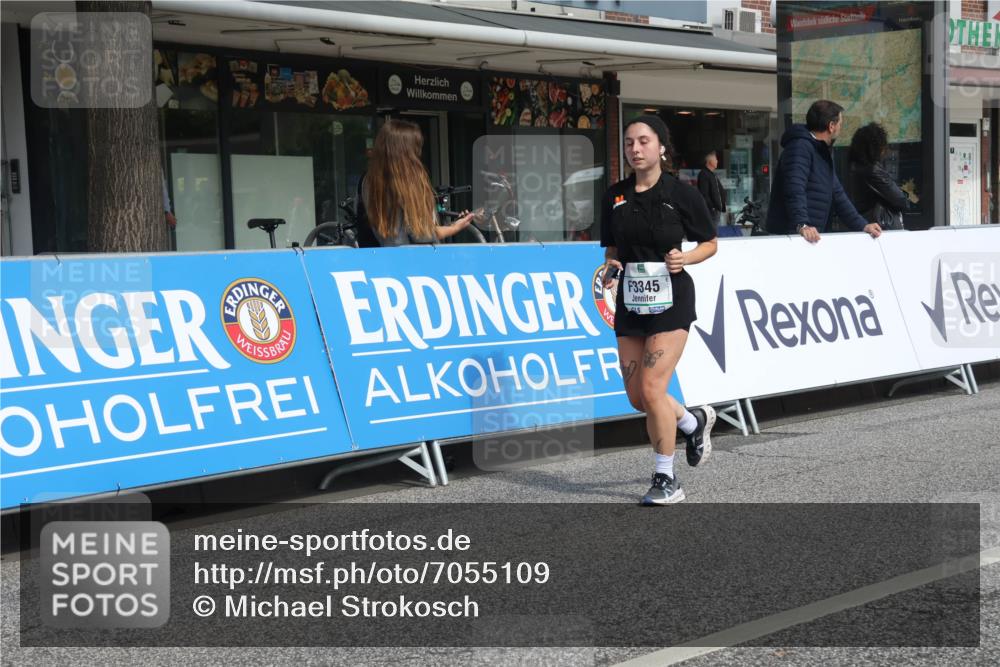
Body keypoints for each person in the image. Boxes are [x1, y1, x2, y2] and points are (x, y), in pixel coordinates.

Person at [599, 114, 719, 506]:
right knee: (638, 397)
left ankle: (667, 478)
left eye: (644, 141)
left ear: (661, 147)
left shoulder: (682, 193)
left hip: (672, 298)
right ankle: (692, 421)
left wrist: (685, 258)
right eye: (630, 142)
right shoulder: (615, 196)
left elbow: (710, 243)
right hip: (632, 302)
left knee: (653, 389)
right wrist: (611, 265)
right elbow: (612, 249)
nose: (635, 148)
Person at [765, 100, 882, 244]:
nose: (840, 128)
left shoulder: (820, 152)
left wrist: (862, 225)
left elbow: (838, 196)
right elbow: (794, 188)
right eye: (840, 124)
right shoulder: (800, 147)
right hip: (792, 237)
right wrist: (802, 224)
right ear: (831, 126)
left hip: (810, 236)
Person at [355, 119, 476, 247]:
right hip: (413, 261)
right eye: (417, 147)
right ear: (407, 151)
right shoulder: (406, 181)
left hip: (377, 260)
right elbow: (421, 235)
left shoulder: (366, 181)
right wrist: (454, 228)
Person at [847, 122, 909, 231]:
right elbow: (901, 200)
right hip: (881, 228)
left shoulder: (854, 167)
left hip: (866, 223)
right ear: (876, 147)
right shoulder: (872, 170)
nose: (885, 151)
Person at [697, 150, 727, 227]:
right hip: (711, 211)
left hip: (716, 210)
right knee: (711, 233)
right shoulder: (704, 174)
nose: (717, 161)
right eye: (715, 159)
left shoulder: (712, 174)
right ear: (710, 162)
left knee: (713, 233)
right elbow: (704, 194)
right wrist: (712, 207)